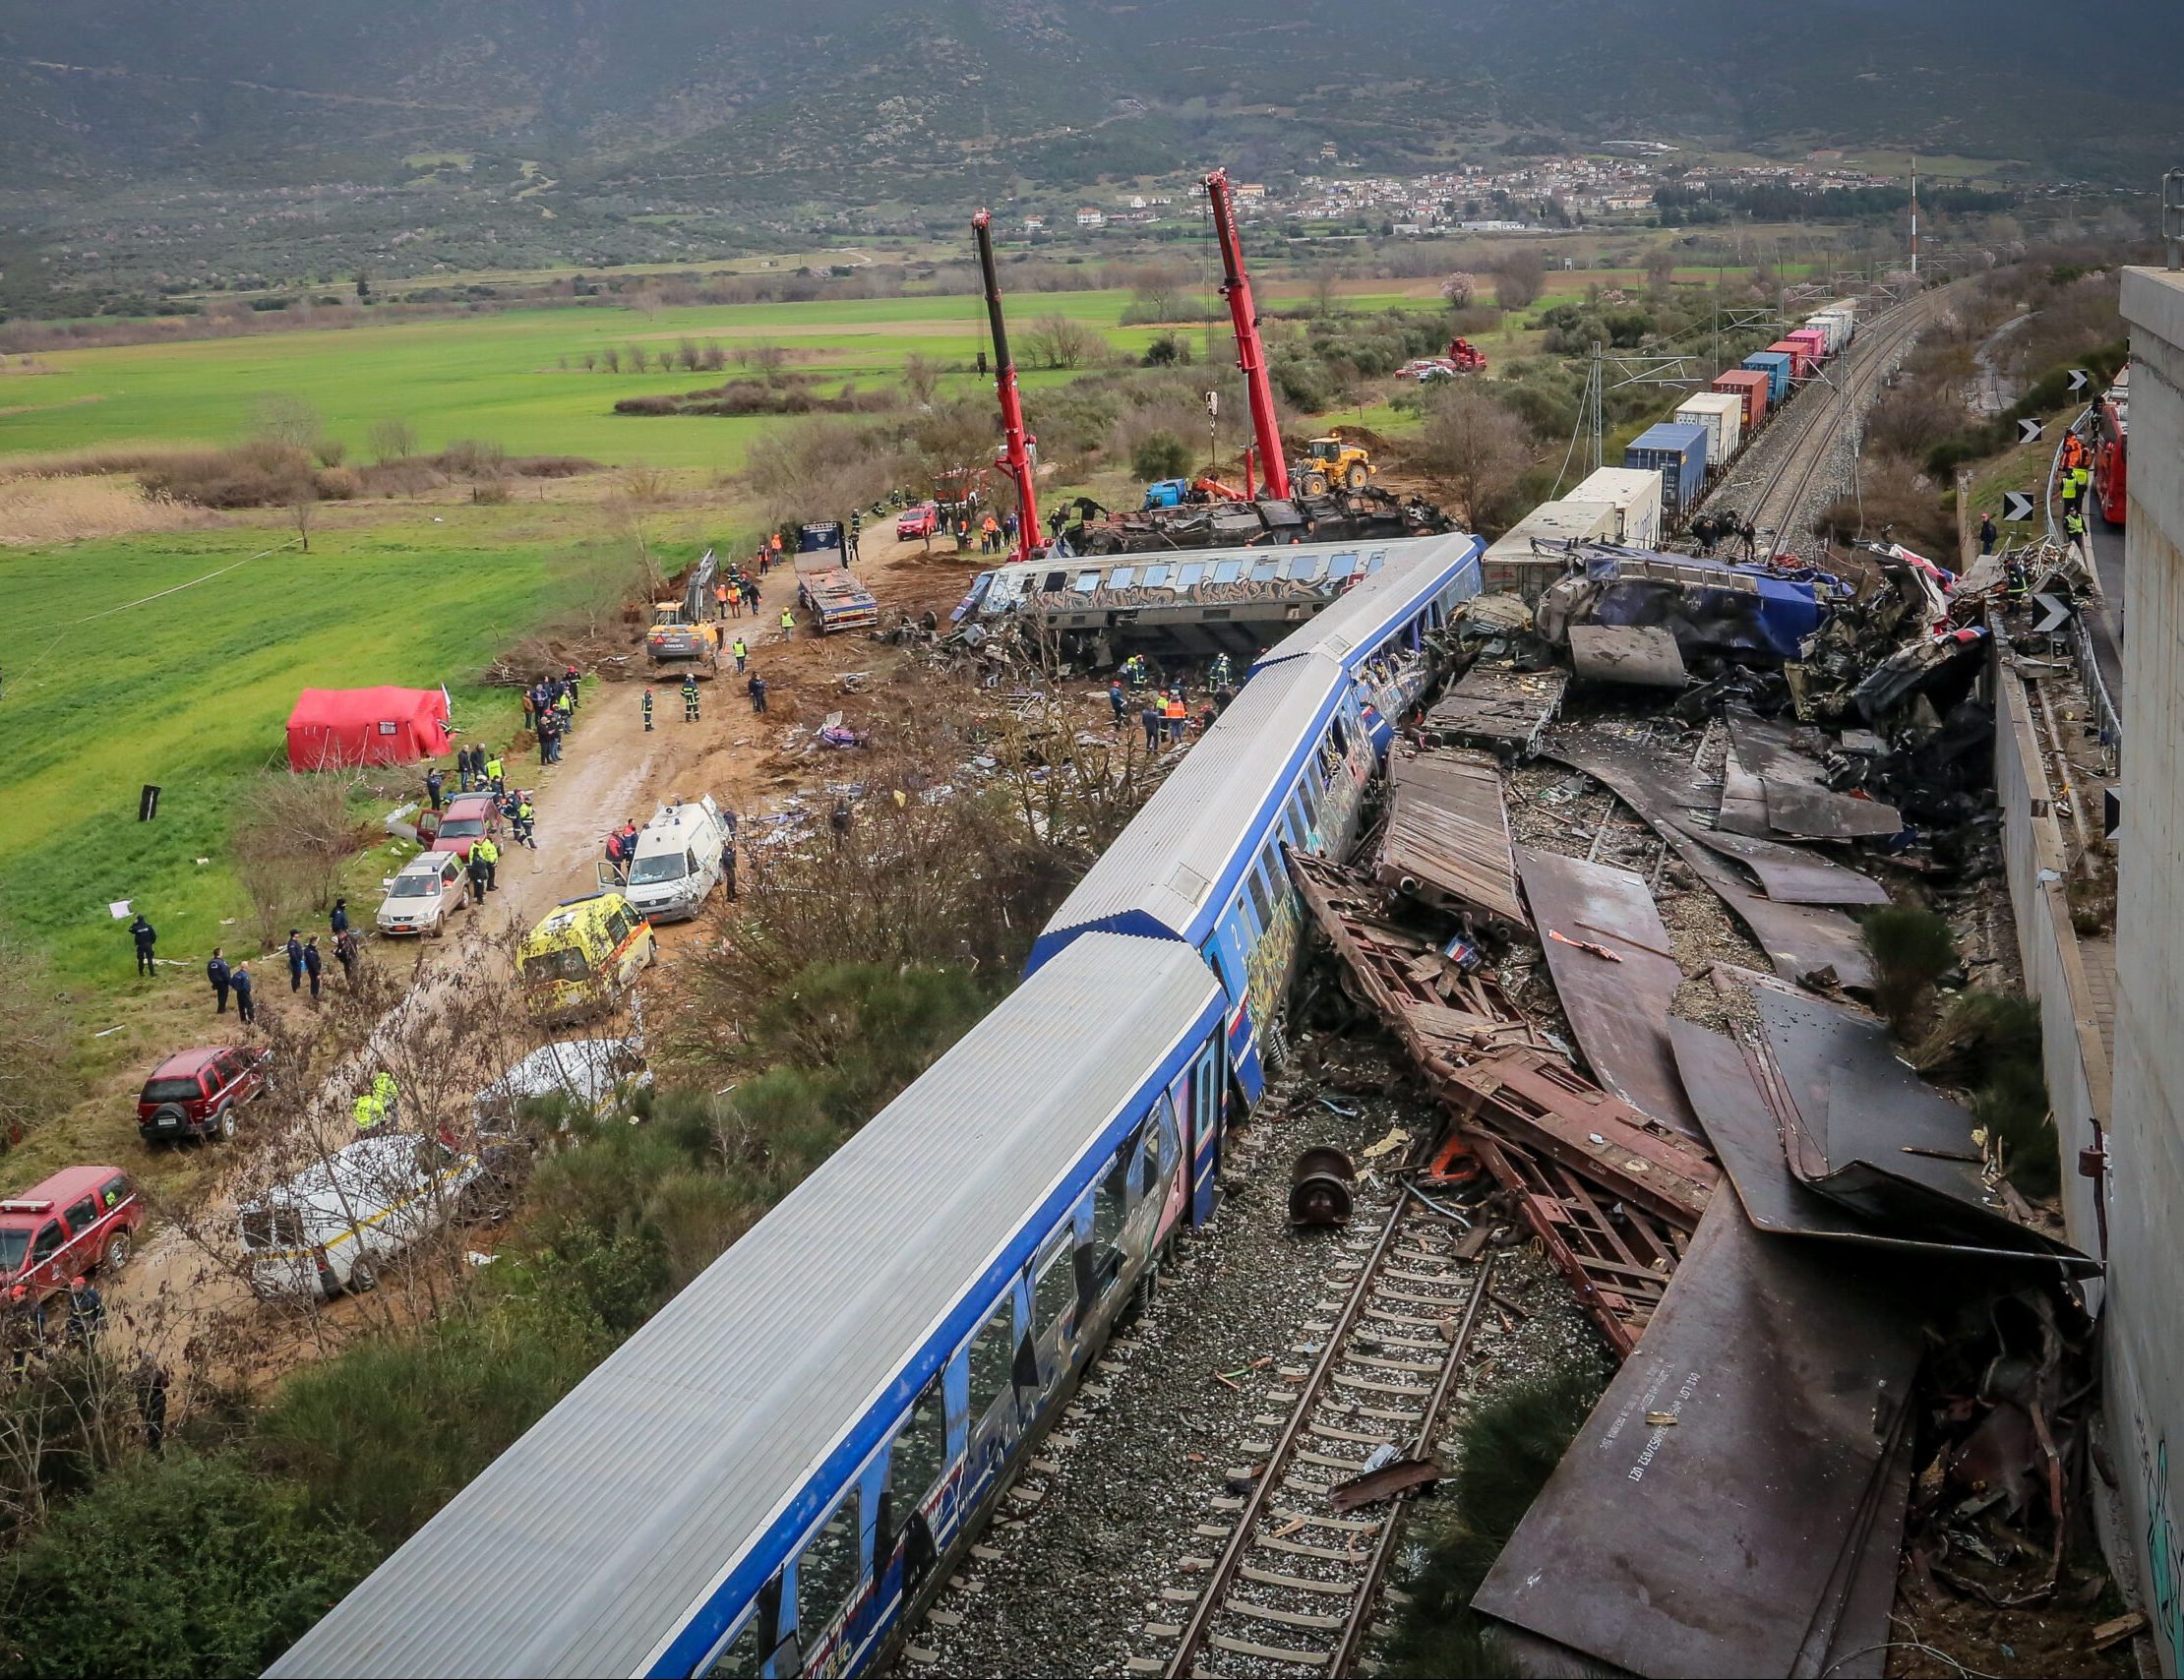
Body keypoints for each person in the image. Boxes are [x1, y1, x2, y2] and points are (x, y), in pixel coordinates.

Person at [353, 1069, 397, 1134]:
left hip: (363, 1126)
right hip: (388, 1101)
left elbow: (355, 1116)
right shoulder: (387, 1080)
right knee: (394, 1117)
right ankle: (393, 1131)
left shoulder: (359, 1102)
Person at [65, 1277, 104, 1349]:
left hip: (90, 1326)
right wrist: (69, 1329)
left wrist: (100, 1323)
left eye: (74, 1286)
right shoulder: (73, 1299)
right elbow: (72, 1316)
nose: (72, 1288)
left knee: (88, 1347)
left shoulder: (91, 1295)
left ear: (80, 1286)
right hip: (79, 1328)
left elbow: (100, 1309)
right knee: (82, 1348)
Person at [129, 912, 157, 978]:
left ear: (138, 920)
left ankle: (141, 973)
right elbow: (154, 936)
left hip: (140, 946)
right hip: (148, 944)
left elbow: (130, 929)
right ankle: (152, 973)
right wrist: (151, 943)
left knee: (140, 960)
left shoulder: (136, 928)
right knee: (150, 959)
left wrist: (134, 923)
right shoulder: (148, 926)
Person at [207, 946, 230, 1014]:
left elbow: (208, 972)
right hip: (222, 981)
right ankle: (221, 1010)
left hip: (215, 981)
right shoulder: (222, 962)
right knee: (224, 995)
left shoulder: (210, 962)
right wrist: (228, 980)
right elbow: (225, 971)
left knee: (220, 994)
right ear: (219, 953)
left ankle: (221, 1008)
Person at [231, 961, 256, 1025]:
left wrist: (236, 989)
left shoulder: (236, 974)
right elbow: (246, 985)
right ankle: (251, 1020)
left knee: (241, 1007)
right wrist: (248, 990)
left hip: (238, 993)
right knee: (249, 1006)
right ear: (246, 967)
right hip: (245, 993)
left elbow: (232, 982)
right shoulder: (245, 975)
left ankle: (243, 1020)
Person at [303, 935, 324, 1001]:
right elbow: (313, 963)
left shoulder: (311, 949)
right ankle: (315, 996)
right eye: (317, 941)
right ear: (314, 941)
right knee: (315, 982)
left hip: (314, 969)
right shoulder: (309, 951)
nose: (318, 942)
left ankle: (313, 995)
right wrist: (317, 973)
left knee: (314, 982)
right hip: (313, 970)